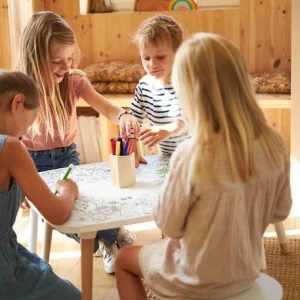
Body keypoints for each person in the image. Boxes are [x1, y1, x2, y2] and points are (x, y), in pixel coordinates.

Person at [114, 33, 292, 299]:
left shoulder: (190, 155)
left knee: (124, 259)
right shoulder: (273, 141)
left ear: (189, 93)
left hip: (193, 280)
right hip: (245, 274)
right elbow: (280, 211)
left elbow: (170, 226)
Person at [16, 11, 139, 274]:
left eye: (69, 59)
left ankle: (107, 240)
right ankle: (111, 235)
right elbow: (8, 141)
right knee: (64, 215)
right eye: (56, 61)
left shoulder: (74, 82)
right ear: (34, 58)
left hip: (66, 158)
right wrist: (18, 183)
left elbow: (108, 109)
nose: (65, 66)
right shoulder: (19, 90)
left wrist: (125, 115)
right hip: (30, 164)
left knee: (84, 202)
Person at [0, 70, 81, 299]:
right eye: (30, 122)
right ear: (18, 102)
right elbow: (56, 214)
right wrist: (68, 192)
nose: (25, 135)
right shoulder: (10, 147)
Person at [130, 15, 189, 167]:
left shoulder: (187, 82)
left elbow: (190, 119)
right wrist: (133, 149)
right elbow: (133, 121)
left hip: (196, 155)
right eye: (146, 58)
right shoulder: (144, 86)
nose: (152, 64)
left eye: (160, 57)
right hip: (168, 157)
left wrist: (168, 129)